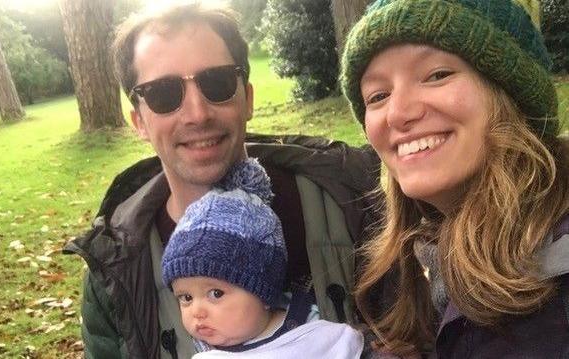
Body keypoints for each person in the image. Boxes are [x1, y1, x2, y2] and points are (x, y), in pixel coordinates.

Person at [63, 1, 384, 358]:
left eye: (216, 83)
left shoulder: (356, 202)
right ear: (138, 120)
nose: (197, 114)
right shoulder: (117, 272)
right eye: (163, 94)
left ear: (246, 97)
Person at [340, 0, 569, 357]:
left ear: (510, 93)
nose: (398, 113)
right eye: (378, 96)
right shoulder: (419, 258)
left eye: (437, 75)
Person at [161, 158, 364, 358]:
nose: (197, 312)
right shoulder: (206, 352)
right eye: (186, 298)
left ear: (263, 292)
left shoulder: (315, 334)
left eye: (216, 293)